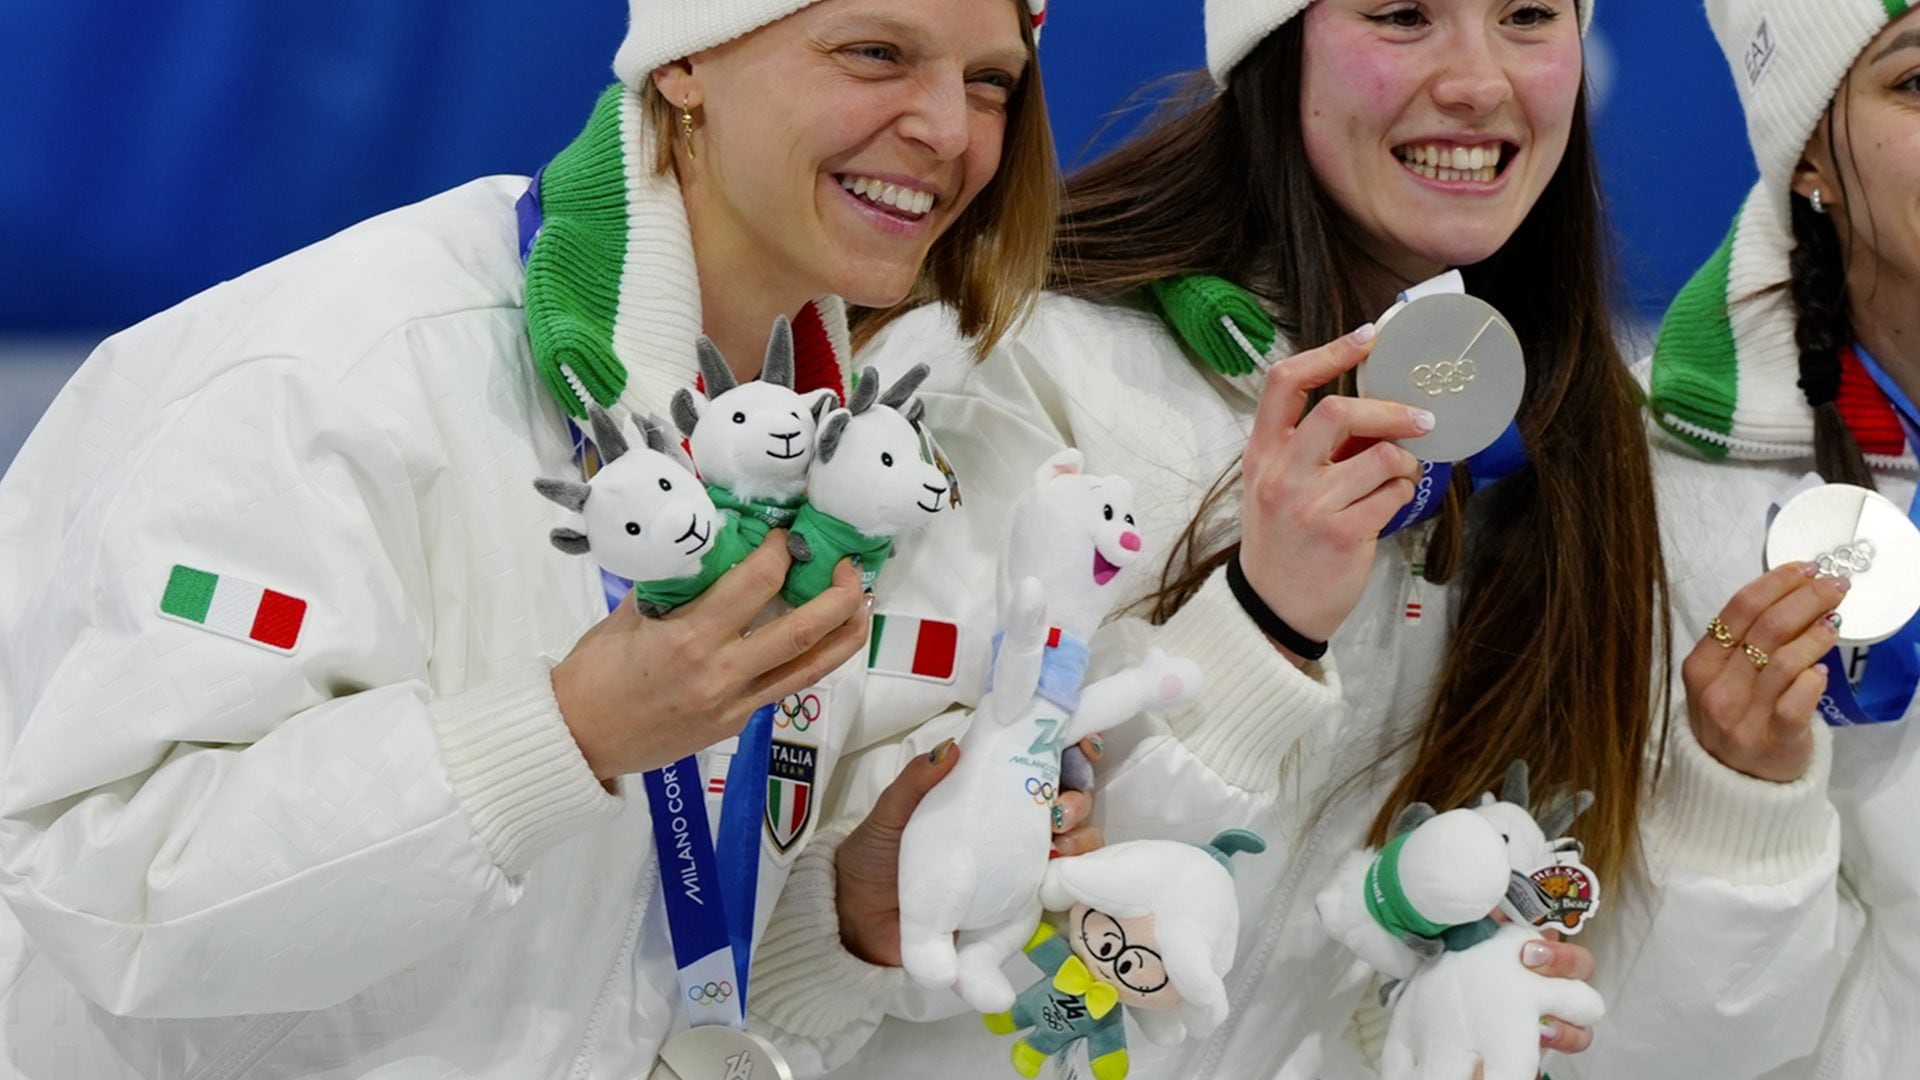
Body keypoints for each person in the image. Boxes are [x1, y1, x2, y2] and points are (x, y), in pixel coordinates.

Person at [0, 0, 1055, 1075]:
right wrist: (562, 735)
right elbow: (105, 884)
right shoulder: (343, 366)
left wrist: (846, 913)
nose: (950, 130)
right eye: (875, 54)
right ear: (686, 61)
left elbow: (609, 977)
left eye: (991, 83)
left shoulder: (845, 471)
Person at [740, 1, 1676, 1077]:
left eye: (1525, 15)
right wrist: (1262, 624)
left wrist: (1431, 1004)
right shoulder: (1023, 361)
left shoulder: (1564, 441)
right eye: (1403, 15)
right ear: (1271, 44)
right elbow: (813, 951)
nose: (1478, 80)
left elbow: (1292, 975)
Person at [1559, 2, 1920, 1077]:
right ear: (1811, 149)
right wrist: (1739, 799)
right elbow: (1643, 1045)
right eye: (1919, 84)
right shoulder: (1658, 497)